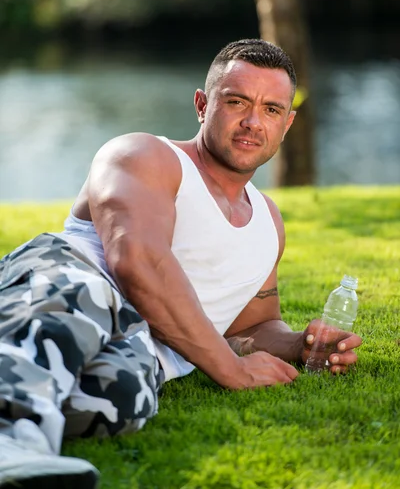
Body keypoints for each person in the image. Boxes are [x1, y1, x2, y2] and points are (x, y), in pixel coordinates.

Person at [0, 39, 362, 488]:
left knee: (121, 396)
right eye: (236, 102)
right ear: (202, 104)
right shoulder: (145, 156)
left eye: (271, 110)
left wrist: (300, 345)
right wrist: (232, 371)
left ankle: (26, 439)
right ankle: (9, 441)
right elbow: (138, 263)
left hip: (140, 346)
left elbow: (250, 326)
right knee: (82, 299)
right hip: (63, 283)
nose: (252, 122)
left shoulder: (269, 222)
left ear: (287, 123)